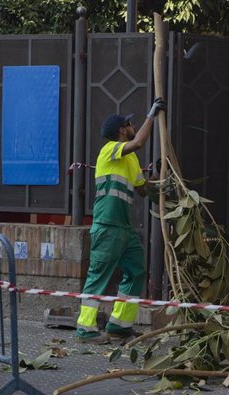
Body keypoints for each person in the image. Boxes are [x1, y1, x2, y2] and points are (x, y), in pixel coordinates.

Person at [76, 98, 166, 343]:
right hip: (107, 224)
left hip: (124, 228)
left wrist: (163, 186)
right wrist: (152, 115)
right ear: (121, 131)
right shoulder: (110, 150)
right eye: (129, 123)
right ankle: (85, 328)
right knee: (99, 274)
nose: (132, 125)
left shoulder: (132, 161)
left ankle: (119, 325)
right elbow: (138, 142)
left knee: (136, 271)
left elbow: (142, 190)